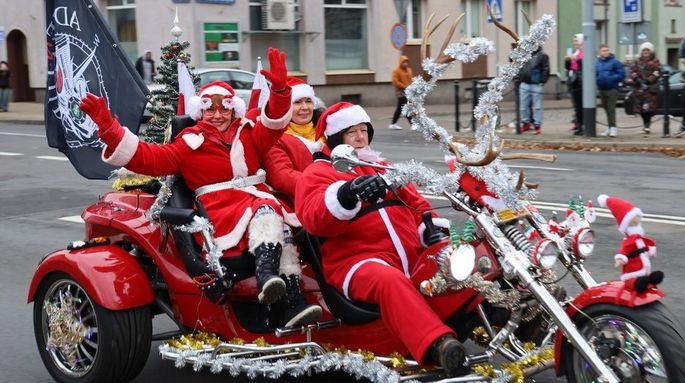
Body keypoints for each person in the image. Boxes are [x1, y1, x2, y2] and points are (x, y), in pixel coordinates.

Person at [78, 48, 321, 328]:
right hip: (221, 207)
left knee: (285, 228)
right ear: (200, 110)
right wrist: (109, 128)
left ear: (233, 108)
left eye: (224, 107)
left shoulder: (250, 132)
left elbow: (275, 123)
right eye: (210, 108)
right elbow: (151, 158)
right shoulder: (190, 141)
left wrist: (279, 90)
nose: (217, 114)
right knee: (267, 210)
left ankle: (292, 300)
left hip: (254, 199)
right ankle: (267, 276)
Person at [294, 102, 467, 375]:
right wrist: (347, 193)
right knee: (390, 280)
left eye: (364, 130)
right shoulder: (318, 173)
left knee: (460, 260)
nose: (361, 137)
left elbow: (419, 204)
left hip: (410, 254)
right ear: (337, 137)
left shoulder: (384, 167)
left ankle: (499, 314)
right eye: (352, 132)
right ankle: (438, 345)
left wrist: (431, 228)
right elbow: (314, 217)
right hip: (356, 263)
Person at [263, 78, 323, 207]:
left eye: (308, 101)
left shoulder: (327, 130)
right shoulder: (275, 137)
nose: (305, 107)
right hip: (303, 202)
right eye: (297, 102)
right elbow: (282, 177)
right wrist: (323, 185)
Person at [599, 194, 663, 293]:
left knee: (653, 275)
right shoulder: (628, 241)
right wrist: (620, 259)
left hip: (643, 269)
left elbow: (644, 247)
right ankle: (641, 283)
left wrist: (650, 250)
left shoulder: (639, 238)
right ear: (627, 222)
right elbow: (623, 250)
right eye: (634, 219)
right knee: (634, 281)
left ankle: (648, 280)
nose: (638, 219)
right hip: (632, 272)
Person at [628, 43, 661, 134]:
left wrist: (647, 81)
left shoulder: (655, 61)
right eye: (644, 50)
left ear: (651, 51)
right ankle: (645, 125)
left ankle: (647, 126)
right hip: (639, 89)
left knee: (648, 109)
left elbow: (657, 72)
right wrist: (637, 79)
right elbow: (632, 71)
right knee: (641, 109)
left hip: (650, 88)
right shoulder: (637, 61)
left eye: (647, 50)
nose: (645, 52)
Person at [517, 45, 550, 135]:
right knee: (523, 107)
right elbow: (517, 65)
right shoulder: (523, 53)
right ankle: (526, 123)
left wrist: (542, 81)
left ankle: (537, 125)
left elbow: (546, 68)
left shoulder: (542, 55)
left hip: (536, 83)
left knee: (537, 107)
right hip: (524, 83)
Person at [596, 44, 626, 137]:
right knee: (606, 108)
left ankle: (613, 127)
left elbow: (621, 74)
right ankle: (609, 127)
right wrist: (597, 80)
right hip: (602, 88)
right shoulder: (597, 62)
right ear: (600, 52)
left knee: (611, 108)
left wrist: (611, 78)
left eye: (607, 50)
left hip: (612, 88)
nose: (605, 52)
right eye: (603, 51)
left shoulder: (615, 62)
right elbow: (595, 73)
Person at [564, 34, 584, 135]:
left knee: (581, 106)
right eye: (574, 41)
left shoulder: (583, 52)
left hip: (581, 82)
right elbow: (569, 68)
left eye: (576, 40)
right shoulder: (575, 52)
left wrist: (576, 59)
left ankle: (582, 126)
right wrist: (567, 60)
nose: (575, 43)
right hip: (573, 81)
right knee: (576, 106)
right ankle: (579, 125)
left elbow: (584, 65)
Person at [389, 55, 413, 130]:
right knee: (405, 107)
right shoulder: (396, 71)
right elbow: (395, 82)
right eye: (404, 62)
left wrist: (412, 87)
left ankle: (393, 123)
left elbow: (410, 80)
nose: (405, 63)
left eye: (406, 62)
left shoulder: (409, 70)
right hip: (401, 92)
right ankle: (412, 124)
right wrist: (404, 86)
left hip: (408, 91)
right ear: (401, 62)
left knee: (401, 108)